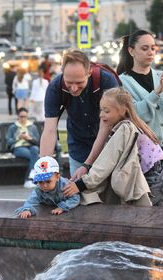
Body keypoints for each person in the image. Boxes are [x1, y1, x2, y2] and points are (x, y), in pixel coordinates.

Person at [64, 88, 163, 207]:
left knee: (149, 217)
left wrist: (82, 184)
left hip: (155, 174)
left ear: (122, 110)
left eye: (106, 111)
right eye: (101, 110)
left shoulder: (125, 128)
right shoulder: (131, 123)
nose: (101, 115)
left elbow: (108, 161)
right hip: (160, 171)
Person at [116, 29, 163, 207]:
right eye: (145, 48)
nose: (151, 52)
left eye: (153, 48)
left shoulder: (160, 76)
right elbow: (137, 114)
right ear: (131, 51)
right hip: (145, 150)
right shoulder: (123, 82)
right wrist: (156, 93)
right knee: (148, 200)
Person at [41, 49, 120, 181]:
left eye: (79, 83)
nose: (73, 88)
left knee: (110, 198)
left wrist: (87, 164)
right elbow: (49, 130)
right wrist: (43, 170)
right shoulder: (55, 87)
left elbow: (106, 126)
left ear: (89, 72)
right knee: (79, 197)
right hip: (78, 146)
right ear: (62, 72)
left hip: (108, 146)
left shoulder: (106, 81)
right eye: (69, 82)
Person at [15, 156, 80, 218]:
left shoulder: (65, 185)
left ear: (57, 177)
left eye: (48, 181)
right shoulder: (38, 189)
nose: (44, 185)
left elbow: (75, 198)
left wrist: (62, 207)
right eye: (40, 182)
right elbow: (31, 201)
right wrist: (27, 210)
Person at [6, 108, 40, 188]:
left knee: (35, 150)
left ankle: (29, 180)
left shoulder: (32, 126)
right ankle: (30, 179)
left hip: (31, 146)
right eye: (21, 116)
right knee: (34, 156)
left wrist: (29, 138)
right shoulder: (13, 127)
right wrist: (18, 137)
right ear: (18, 116)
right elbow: (9, 142)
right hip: (18, 147)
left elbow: (37, 141)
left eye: (25, 117)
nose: (23, 118)